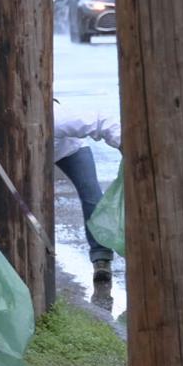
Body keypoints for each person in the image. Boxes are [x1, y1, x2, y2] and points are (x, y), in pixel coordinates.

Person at [54, 110, 121, 281]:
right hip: (27, 154)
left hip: (70, 150)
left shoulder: (57, 119)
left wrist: (123, 143)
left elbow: (102, 120)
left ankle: (101, 257)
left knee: (91, 194)